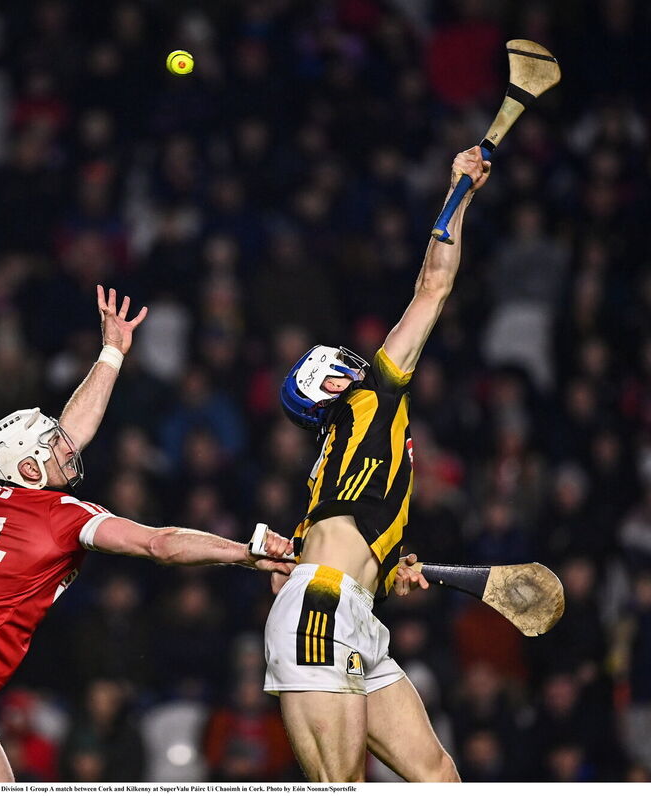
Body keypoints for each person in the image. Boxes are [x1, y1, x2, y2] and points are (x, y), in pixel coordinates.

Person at [0, 287, 293, 782]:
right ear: (32, 469)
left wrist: (111, 354)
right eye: (51, 444)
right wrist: (247, 552)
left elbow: (71, 431)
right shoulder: (58, 514)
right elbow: (158, 544)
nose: (66, 445)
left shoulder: (0, 493)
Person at [265, 147, 491, 781]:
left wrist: (392, 568)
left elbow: (347, 544)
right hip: (323, 609)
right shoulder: (372, 398)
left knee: (438, 778)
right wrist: (460, 192)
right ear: (334, 383)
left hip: (355, 612)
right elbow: (433, 286)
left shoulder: (349, 449)